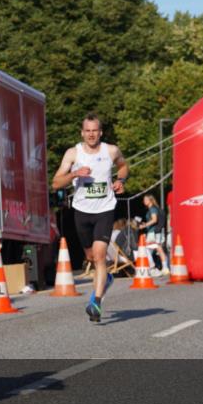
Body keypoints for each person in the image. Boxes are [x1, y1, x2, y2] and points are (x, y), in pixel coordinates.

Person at [51, 114, 129, 323]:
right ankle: (107, 280)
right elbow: (56, 183)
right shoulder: (73, 153)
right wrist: (74, 174)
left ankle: (96, 301)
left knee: (100, 255)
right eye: (88, 131)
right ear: (82, 133)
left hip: (105, 209)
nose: (91, 134)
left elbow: (123, 166)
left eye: (95, 130)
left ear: (100, 132)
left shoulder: (110, 151)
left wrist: (120, 179)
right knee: (91, 258)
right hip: (82, 211)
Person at [140, 194, 170, 275]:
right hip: (156, 232)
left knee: (149, 249)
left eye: (146, 199)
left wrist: (144, 225)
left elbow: (154, 220)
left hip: (153, 232)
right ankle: (163, 268)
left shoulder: (152, 209)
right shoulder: (155, 208)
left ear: (151, 200)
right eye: (144, 200)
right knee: (156, 249)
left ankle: (155, 268)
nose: (144, 201)